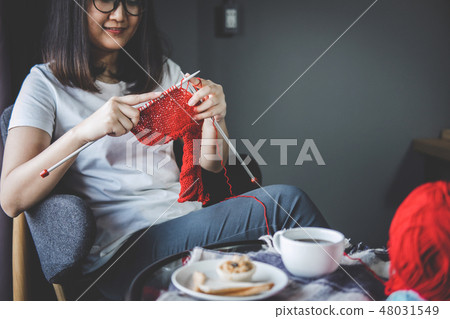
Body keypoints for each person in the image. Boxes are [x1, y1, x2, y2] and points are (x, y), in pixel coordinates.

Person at [0, 0, 328, 300]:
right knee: (287, 202)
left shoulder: (161, 72)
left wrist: (215, 116)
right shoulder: (44, 85)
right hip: (122, 254)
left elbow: (212, 164)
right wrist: (84, 132)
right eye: (105, 1)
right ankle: (342, 290)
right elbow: (12, 198)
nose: (119, 15)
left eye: (132, 3)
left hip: (185, 224)